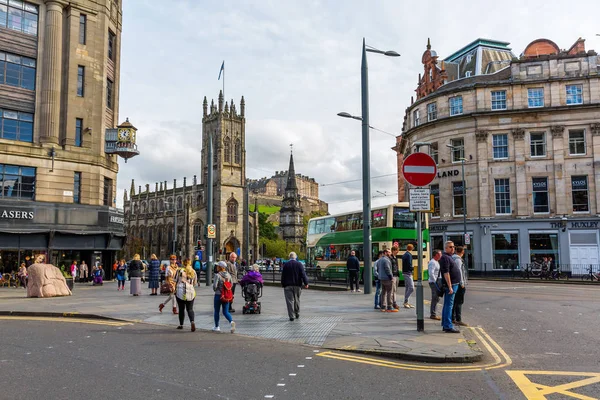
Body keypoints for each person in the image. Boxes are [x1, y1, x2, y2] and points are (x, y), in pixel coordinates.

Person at [280, 252, 309, 321]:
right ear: (295, 257)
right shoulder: (299, 264)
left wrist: (283, 284)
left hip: (287, 285)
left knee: (289, 301)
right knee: (297, 299)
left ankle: (291, 316)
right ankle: (297, 313)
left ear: (289, 257)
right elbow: (303, 274)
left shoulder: (286, 265)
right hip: (297, 285)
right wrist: (306, 283)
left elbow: (283, 276)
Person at [440, 241, 461, 333]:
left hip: (453, 284)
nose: (453, 248)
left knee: (447, 305)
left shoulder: (448, 257)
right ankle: (448, 326)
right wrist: (450, 286)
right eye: (450, 247)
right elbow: (446, 273)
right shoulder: (445, 258)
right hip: (451, 285)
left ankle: (445, 324)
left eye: (453, 247)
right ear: (446, 248)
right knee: (449, 305)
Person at [212, 261, 235, 333]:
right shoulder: (228, 275)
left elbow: (215, 286)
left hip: (218, 295)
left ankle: (217, 326)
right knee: (226, 311)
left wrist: (216, 289)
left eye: (218, 266)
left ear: (220, 267)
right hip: (226, 296)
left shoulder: (217, 275)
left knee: (216, 311)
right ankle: (231, 322)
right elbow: (231, 285)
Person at [175, 259, 197, 332]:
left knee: (181, 309)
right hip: (191, 292)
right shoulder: (193, 271)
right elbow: (195, 283)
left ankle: (181, 324)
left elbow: (176, 280)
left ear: (183, 263)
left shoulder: (179, 271)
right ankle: (192, 321)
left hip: (180, 292)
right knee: (190, 309)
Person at [452, 246, 468, 327]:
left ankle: (453, 318)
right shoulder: (458, 260)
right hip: (459, 284)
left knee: (455, 302)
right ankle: (458, 319)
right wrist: (461, 283)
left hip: (455, 283)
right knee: (459, 302)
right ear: (462, 252)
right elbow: (459, 272)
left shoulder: (453, 258)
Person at [428, 250, 442, 320]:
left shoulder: (436, 262)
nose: (441, 255)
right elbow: (431, 273)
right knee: (435, 298)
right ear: (436, 255)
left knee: (436, 298)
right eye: (440, 254)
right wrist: (435, 282)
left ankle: (433, 313)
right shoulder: (433, 262)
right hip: (434, 282)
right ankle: (433, 314)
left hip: (437, 281)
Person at [401, 244, 415, 309]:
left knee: (407, 288)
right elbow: (409, 264)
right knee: (411, 288)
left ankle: (406, 302)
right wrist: (412, 269)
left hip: (404, 272)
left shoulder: (405, 254)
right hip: (408, 273)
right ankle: (405, 301)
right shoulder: (409, 255)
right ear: (412, 248)